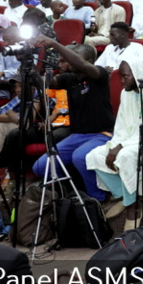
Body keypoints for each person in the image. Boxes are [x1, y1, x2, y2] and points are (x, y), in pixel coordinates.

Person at [85, 57, 143, 231]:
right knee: (95, 156)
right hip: (130, 138)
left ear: (137, 74)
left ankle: (133, 210)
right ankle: (126, 196)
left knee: (127, 156)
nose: (122, 81)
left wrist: (121, 147)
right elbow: (121, 124)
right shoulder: (126, 92)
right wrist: (117, 143)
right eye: (120, 76)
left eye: (125, 77)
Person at [31, 39, 115, 202]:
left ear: (89, 60)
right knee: (40, 167)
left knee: (79, 157)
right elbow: (50, 83)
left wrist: (55, 44)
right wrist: (31, 65)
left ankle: (97, 199)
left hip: (102, 133)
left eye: (75, 56)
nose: (70, 60)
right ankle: (70, 194)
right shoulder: (70, 78)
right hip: (77, 136)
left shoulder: (99, 74)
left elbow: (82, 66)